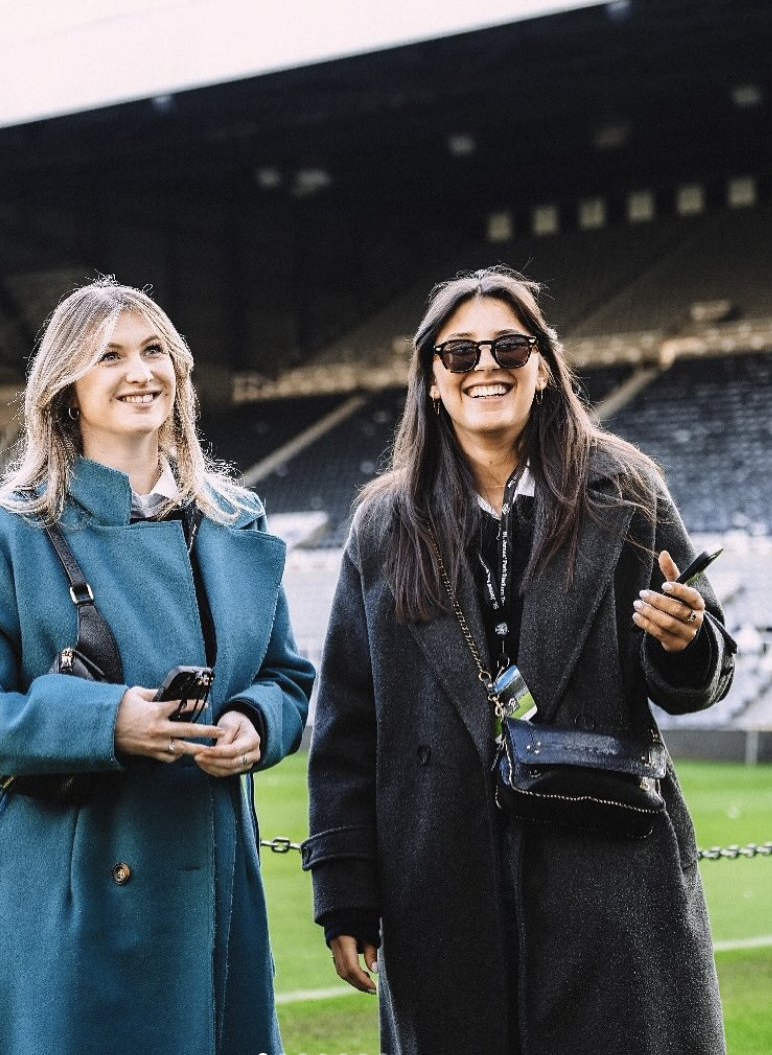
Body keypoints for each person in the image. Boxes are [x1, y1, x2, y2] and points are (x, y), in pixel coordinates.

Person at [302, 266, 736, 1055]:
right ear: (431, 380)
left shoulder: (625, 489)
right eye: (458, 352)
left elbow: (705, 671)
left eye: (508, 345)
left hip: (611, 882)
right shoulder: (381, 527)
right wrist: (345, 894)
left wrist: (685, 640)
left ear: (543, 365)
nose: (485, 365)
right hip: (439, 884)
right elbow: (346, 723)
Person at [0, 277, 314, 1055]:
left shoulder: (238, 519)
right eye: (109, 356)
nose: (141, 372)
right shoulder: (3, 528)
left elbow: (287, 679)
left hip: (209, 879)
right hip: (66, 888)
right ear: (66, 386)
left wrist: (253, 723)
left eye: (154, 350)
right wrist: (109, 724)